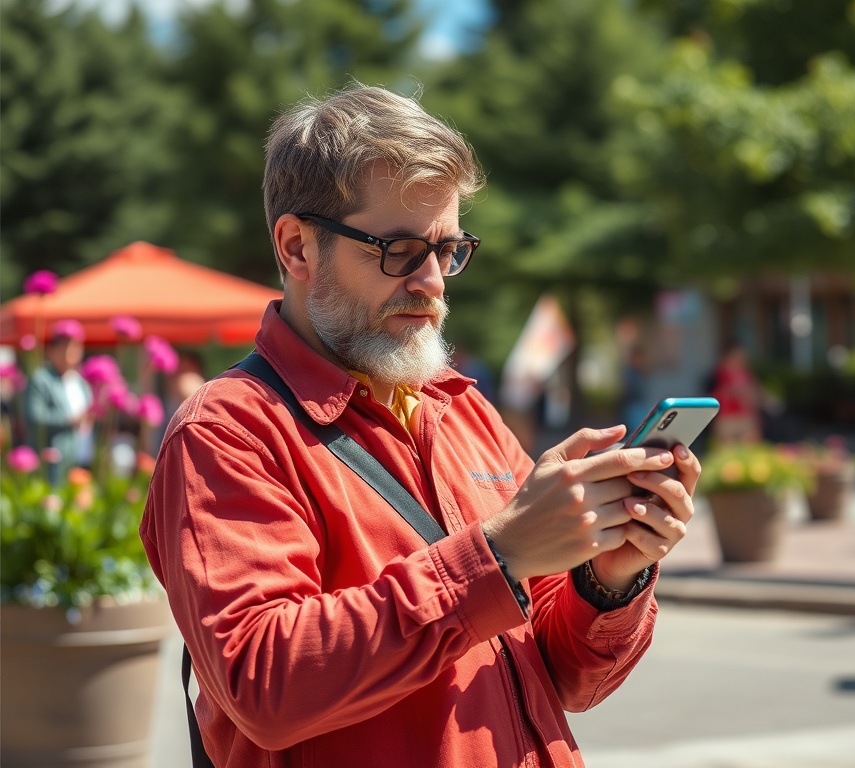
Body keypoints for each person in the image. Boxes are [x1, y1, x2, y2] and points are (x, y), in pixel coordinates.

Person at [140, 84, 701, 768]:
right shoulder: (228, 430)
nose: (433, 281)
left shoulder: (460, 406)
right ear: (296, 248)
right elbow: (264, 683)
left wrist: (610, 579)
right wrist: (496, 556)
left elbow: (570, 680)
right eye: (399, 249)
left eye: (449, 249)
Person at [24, 319, 93, 483]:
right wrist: (69, 420)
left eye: (75, 347)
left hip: (82, 456)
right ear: (51, 351)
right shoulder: (41, 379)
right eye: (64, 347)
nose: (70, 352)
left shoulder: (81, 382)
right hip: (53, 459)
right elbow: (34, 415)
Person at [709, 340, 761, 444]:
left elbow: (754, 392)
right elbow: (718, 392)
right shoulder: (720, 372)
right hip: (727, 417)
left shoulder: (746, 373)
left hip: (745, 416)